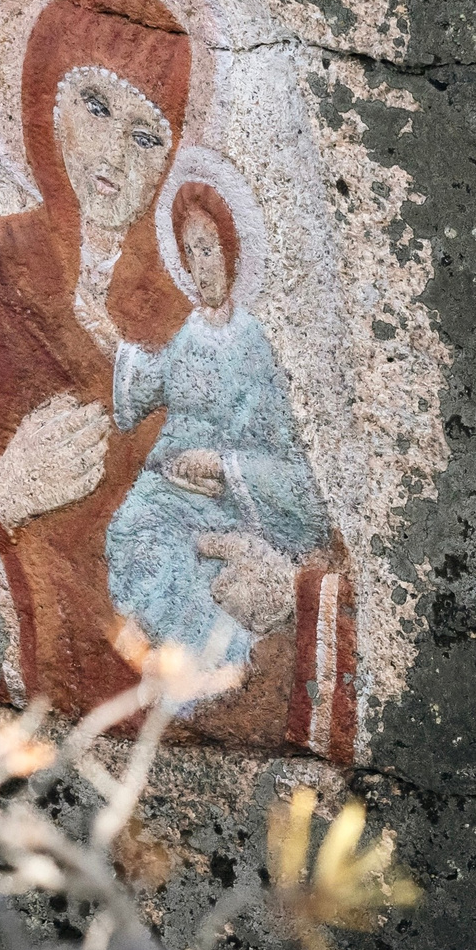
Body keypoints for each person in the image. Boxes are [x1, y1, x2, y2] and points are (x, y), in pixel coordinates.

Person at [0, 0, 355, 754]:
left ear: (173, 159)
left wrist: (286, 588)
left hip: (183, 679)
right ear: (44, 101)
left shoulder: (200, 324)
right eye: (96, 106)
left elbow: (294, 502)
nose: (113, 154)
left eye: (147, 136)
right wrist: (5, 493)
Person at [106, 179, 328, 677]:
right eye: (190, 252)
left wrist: (222, 467)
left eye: (208, 249)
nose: (199, 265)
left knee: (180, 562)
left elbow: (281, 455)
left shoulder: (252, 342)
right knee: (128, 529)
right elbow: (160, 381)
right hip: (167, 487)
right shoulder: (189, 330)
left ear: (231, 249)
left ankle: (207, 673)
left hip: (224, 503)